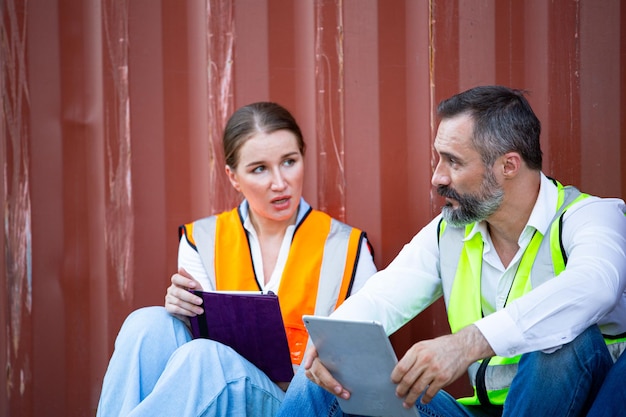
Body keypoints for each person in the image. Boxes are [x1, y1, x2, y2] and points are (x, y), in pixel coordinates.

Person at [276, 85, 626, 417]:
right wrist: (333, 341)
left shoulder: (590, 217)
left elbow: (596, 284)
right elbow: (383, 298)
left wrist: (467, 344)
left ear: (508, 166)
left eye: (453, 162)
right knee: (323, 375)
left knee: (560, 341)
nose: (437, 177)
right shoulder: (451, 231)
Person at [96, 102, 377, 417]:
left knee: (205, 357)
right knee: (146, 324)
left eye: (289, 161)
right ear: (232, 176)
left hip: (303, 404)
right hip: (216, 394)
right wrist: (182, 312)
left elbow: (367, 368)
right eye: (260, 168)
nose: (280, 183)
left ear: (302, 157)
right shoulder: (201, 240)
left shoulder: (348, 247)